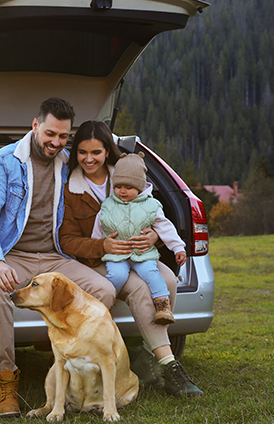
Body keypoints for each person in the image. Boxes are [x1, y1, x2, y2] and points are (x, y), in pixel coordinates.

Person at [0, 98, 127, 418]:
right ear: (35, 126)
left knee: (104, 291)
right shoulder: (2, 162)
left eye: (63, 136)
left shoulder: (69, 161)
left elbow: (108, 170)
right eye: (50, 134)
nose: (56, 142)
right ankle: (7, 384)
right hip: (13, 253)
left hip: (56, 255)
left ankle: (82, 367)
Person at [59, 120, 203, 398]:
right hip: (99, 261)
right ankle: (168, 365)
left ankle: (148, 360)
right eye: (82, 152)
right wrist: (102, 245)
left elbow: (155, 216)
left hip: (138, 253)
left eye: (97, 152)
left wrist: (154, 239)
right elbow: (66, 240)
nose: (89, 159)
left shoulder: (128, 174)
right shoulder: (70, 189)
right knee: (140, 290)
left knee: (169, 279)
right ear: (75, 152)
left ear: (107, 152)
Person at [92, 152, 187, 325]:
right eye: (118, 186)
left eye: (128, 187)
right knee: (117, 276)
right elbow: (98, 230)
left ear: (140, 187)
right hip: (117, 255)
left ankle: (163, 306)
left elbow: (165, 228)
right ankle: (107, 305)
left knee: (151, 273)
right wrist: (96, 249)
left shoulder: (151, 206)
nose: (122, 191)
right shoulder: (107, 206)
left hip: (143, 254)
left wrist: (178, 247)